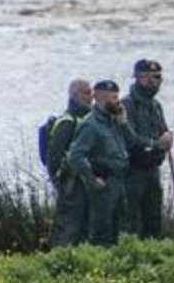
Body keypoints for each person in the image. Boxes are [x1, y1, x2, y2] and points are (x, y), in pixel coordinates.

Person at [67, 80, 162, 246]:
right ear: (99, 98)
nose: (116, 102)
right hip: (104, 182)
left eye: (116, 97)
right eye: (111, 98)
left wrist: (124, 123)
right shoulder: (91, 124)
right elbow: (76, 155)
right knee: (102, 229)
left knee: (123, 226)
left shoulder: (114, 121)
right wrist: (91, 178)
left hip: (121, 180)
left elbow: (132, 142)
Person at [121, 59, 174, 240]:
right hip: (132, 171)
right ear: (136, 77)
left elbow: (163, 130)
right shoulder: (127, 105)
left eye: (157, 77)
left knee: (154, 220)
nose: (152, 81)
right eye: (146, 77)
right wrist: (155, 143)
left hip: (153, 169)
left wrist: (167, 138)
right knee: (131, 221)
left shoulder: (156, 106)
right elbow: (129, 139)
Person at [45, 79, 93, 247]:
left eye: (91, 92)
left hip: (87, 183)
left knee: (85, 229)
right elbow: (53, 158)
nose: (90, 97)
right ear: (74, 95)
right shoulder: (66, 122)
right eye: (86, 93)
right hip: (71, 185)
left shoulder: (89, 119)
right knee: (68, 229)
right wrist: (62, 183)